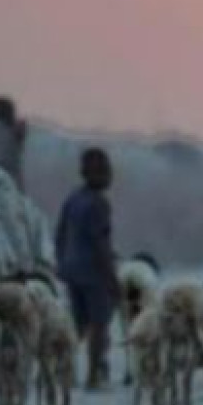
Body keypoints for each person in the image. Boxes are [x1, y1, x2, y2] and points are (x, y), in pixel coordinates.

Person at [56, 148, 119, 389]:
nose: (110, 176)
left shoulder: (73, 198)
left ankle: (63, 367)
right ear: (97, 174)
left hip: (72, 269)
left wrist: (62, 263)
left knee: (78, 324)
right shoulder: (98, 204)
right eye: (106, 172)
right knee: (99, 323)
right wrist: (112, 279)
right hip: (93, 273)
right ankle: (94, 374)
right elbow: (99, 244)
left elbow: (60, 234)